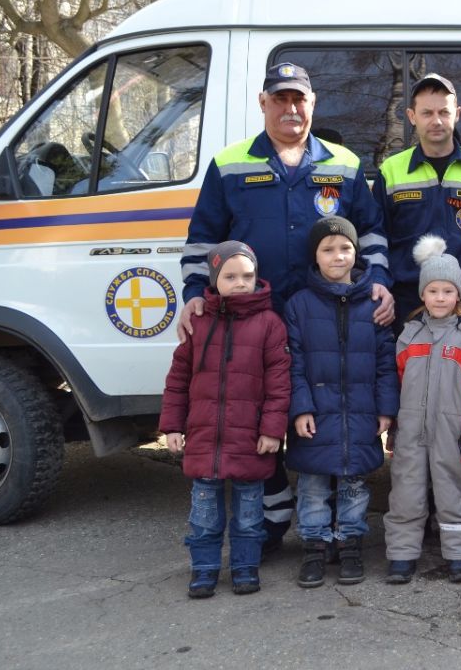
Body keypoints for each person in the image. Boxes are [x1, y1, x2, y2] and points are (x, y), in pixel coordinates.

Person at [179, 62, 392, 552]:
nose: (291, 108)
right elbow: (203, 240)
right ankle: (272, 518)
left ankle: (336, 523)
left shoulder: (343, 163)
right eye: (281, 99)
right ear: (263, 103)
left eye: (299, 99)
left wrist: (376, 278)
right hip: (254, 319)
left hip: (327, 320)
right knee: (259, 415)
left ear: (312, 105)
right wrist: (194, 293)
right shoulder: (230, 164)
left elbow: (373, 231)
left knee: (323, 408)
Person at [159, 241, 291, 598]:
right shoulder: (198, 322)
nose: (240, 283)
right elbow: (178, 378)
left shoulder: (270, 324)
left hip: (250, 440)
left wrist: (272, 431)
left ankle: (245, 567)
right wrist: (172, 425)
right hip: (204, 438)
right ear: (214, 278)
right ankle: (203, 570)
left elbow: (279, 386)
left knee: (249, 514)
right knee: (203, 515)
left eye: (247, 276)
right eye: (230, 276)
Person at [284, 217, 400, 588]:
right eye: (328, 249)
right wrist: (300, 408)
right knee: (314, 486)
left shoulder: (375, 301)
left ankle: (350, 544)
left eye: (345, 248)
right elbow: (294, 361)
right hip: (316, 413)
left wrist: (385, 409)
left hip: (361, 411)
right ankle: (315, 549)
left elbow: (385, 361)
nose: (338, 256)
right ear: (314, 256)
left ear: (357, 252)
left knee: (354, 485)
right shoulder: (299, 304)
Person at [384, 235, 461, 584]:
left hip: (453, 430)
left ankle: (459, 555)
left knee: (453, 490)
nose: (441, 298)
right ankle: (402, 555)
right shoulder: (409, 335)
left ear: (458, 294)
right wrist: (394, 425)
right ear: (422, 295)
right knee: (405, 491)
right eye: (433, 291)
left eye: (448, 291)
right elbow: (395, 384)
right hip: (411, 430)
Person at [374, 73, 461, 335]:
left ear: (457, 114)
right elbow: (377, 237)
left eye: (444, 111)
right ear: (411, 116)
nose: (436, 120)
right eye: (427, 113)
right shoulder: (391, 171)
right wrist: (381, 285)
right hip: (407, 304)